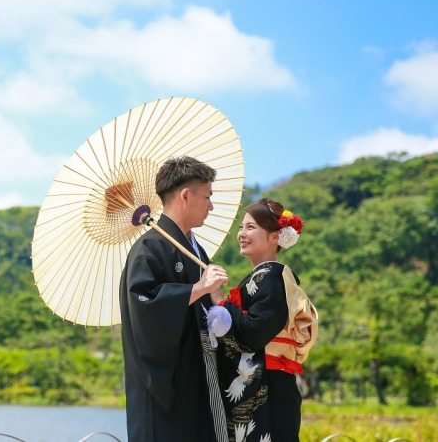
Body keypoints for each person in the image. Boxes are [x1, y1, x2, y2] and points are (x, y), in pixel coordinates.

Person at [120, 156, 231, 442]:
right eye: (207, 196)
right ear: (185, 195)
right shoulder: (148, 249)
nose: (211, 206)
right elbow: (145, 308)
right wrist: (197, 289)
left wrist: (219, 302)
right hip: (166, 386)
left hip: (199, 376)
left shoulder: (196, 250)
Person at [211, 198, 318, 442]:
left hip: (269, 388)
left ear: (275, 236)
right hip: (267, 384)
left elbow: (255, 333)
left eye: (251, 227)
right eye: (241, 227)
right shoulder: (265, 276)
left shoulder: (271, 276)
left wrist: (218, 300)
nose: (242, 234)